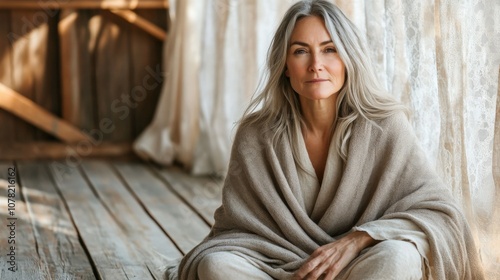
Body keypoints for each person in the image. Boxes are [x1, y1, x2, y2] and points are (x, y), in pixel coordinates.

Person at [165, 0, 484, 279]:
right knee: (216, 266)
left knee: (399, 257)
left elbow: (438, 211)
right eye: (301, 51)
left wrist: (358, 239)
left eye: (329, 49)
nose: (316, 64)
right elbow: (237, 231)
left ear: (348, 59)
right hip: (274, 267)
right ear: (285, 66)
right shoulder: (256, 134)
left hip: (355, 268)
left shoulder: (384, 125)